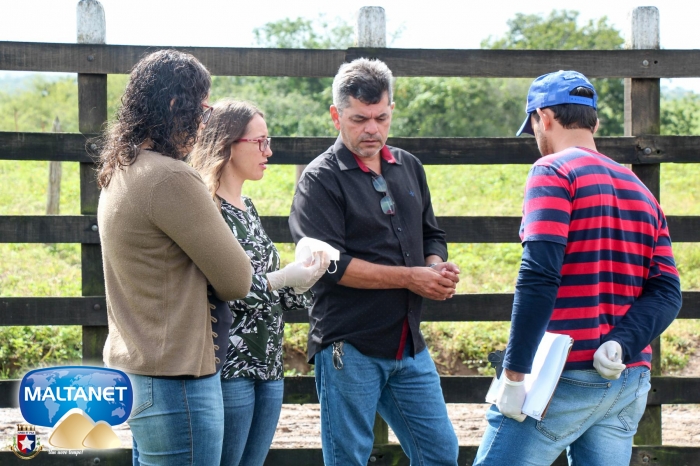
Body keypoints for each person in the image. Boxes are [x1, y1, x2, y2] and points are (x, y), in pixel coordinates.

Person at [473, 70, 682, 466]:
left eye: (534, 127)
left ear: (543, 117)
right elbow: (668, 292)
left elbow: (539, 275)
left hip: (560, 375)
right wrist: (621, 342)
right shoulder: (641, 190)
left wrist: (515, 373)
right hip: (625, 377)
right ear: (594, 123)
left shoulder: (553, 171)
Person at [288, 57, 461, 466]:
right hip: (349, 346)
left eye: (381, 118)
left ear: (391, 111)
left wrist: (434, 266)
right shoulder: (318, 179)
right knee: (349, 460)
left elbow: (432, 235)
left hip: (408, 343)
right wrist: (412, 278)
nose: (372, 129)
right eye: (359, 119)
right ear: (336, 116)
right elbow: (331, 266)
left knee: (441, 453)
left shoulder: (409, 165)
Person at [96, 50, 253, 465]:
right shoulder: (170, 177)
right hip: (177, 382)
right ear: (173, 105)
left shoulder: (122, 168)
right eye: (201, 107)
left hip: (141, 373)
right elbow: (237, 280)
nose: (204, 121)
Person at [189, 99, 330, 466]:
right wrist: (282, 278)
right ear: (227, 143)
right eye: (260, 142)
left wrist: (304, 281)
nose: (269, 151)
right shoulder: (206, 208)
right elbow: (223, 291)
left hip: (268, 364)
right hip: (231, 366)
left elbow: (270, 293)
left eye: (269, 141)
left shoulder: (247, 207)